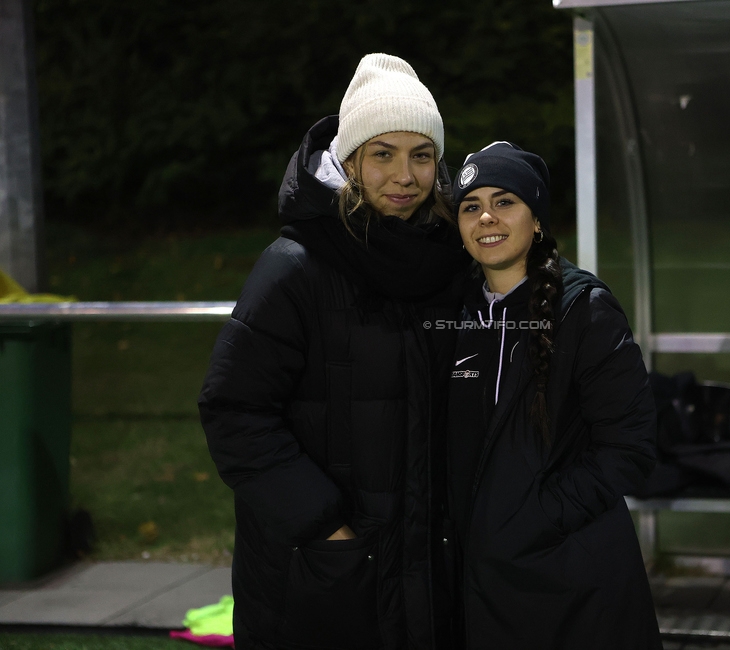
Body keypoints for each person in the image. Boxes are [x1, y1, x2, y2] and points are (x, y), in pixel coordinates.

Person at [199, 53, 468, 650]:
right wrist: (327, 528)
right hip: (321, 571)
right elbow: (233, 412)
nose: (405, 175)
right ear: (348, 162)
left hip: (426, 567)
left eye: (421, 155)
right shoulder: (294, 267)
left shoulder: (450, 260)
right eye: (383, 154)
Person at [446, 142, 663, 649]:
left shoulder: (585, 309)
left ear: (537, 218)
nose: (486, 218)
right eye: (470, 206)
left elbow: (630, 449)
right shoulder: (449, 313)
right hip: (479, 582)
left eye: (504, 201)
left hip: (572, 578)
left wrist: (537, 519)